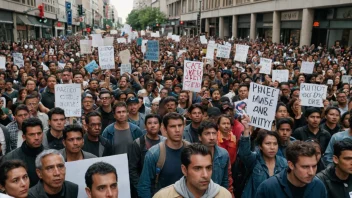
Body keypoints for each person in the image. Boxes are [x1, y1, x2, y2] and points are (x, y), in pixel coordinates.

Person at [138, 112, 188, 197]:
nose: (177, 130)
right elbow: (144, 185)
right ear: (164, 129)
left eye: (180, 125)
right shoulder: (154, 153)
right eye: (172, 126)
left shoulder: (191, 150)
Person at [153, 143, 232, 198]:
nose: (205, 175)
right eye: (197, 168)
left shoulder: (224, 195)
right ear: (184, 170)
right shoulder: (163, 196)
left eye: (208, 168)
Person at [238, 115, 287, 198]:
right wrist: (246, 130)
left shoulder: (284, 163)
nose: (272, 147)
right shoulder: (254, 160)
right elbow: (244, 153)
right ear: (260, 146)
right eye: (268, 144)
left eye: (275, 144)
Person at [255, 141, 327, 198]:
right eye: (305, 167)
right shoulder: (268, 188)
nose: (311, 172)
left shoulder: (319, 186)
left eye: (314, 166)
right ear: (291, 165)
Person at [128, 114, 166, 197]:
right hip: (145, 185)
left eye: (155, 123)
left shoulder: (165, 142)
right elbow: (132, 168)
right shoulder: (138, 143)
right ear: (145, 126)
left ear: (160, 125)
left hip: (163, 186)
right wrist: (139, 186)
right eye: (149, 123)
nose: (153, 125)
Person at [1, 117, 45, 187]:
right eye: (32, 134)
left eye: (39, 133)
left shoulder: (50, 156)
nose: (37, 137)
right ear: (24, 137)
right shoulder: (10, 158)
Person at [198, 120, 233, 194]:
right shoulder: (194, 155)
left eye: (214, 133)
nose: (211, 137)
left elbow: (226, 179)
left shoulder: (223, 154)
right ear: (200, 137)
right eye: (207, 134)